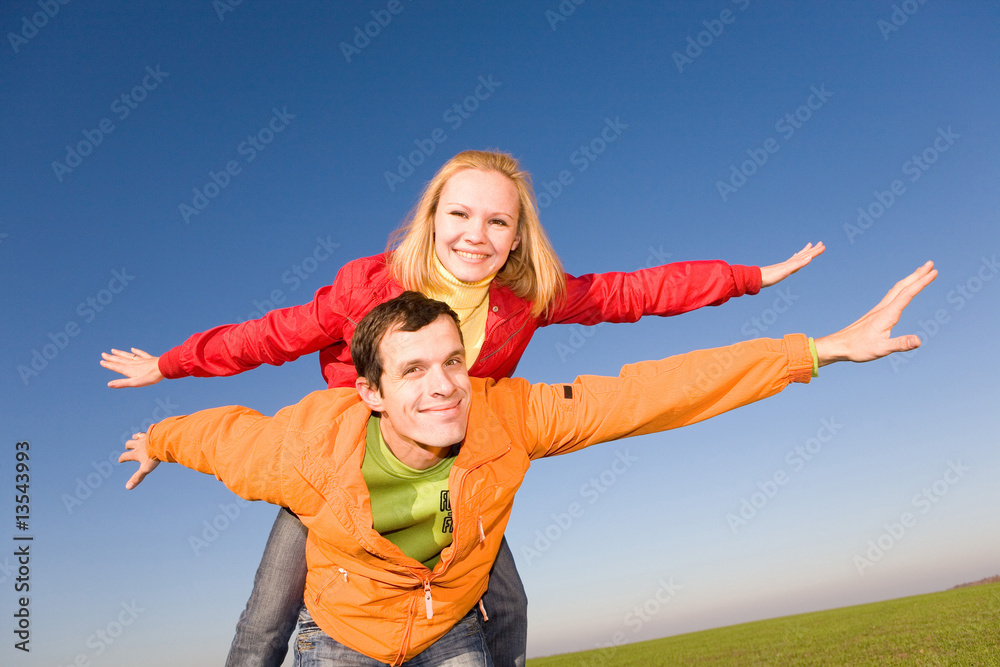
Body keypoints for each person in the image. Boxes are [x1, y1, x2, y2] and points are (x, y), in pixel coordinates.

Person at [101, 149, 824, 666]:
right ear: (433, 216)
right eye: (461, 214)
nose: (477, 235)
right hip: (345, 470)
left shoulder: (524, 293)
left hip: (457, 466)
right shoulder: (368, 288)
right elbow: (273, 334)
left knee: (506, 607)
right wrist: (168, 363)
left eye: (498, 223)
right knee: (268, 619)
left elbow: (630, 293)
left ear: (517, 234)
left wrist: (749, 278)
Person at [119, 263, 936, 665]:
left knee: (502, 604)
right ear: (368, 391)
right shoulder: (301, 446)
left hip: (446, 632)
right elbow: (214, 433)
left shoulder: (509, 416)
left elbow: (653, 391)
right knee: (261, 619)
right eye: (411, 371)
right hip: (343, 638)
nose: (442, 386)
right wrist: (155, 438)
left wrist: (817, 349)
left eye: (451, 362)